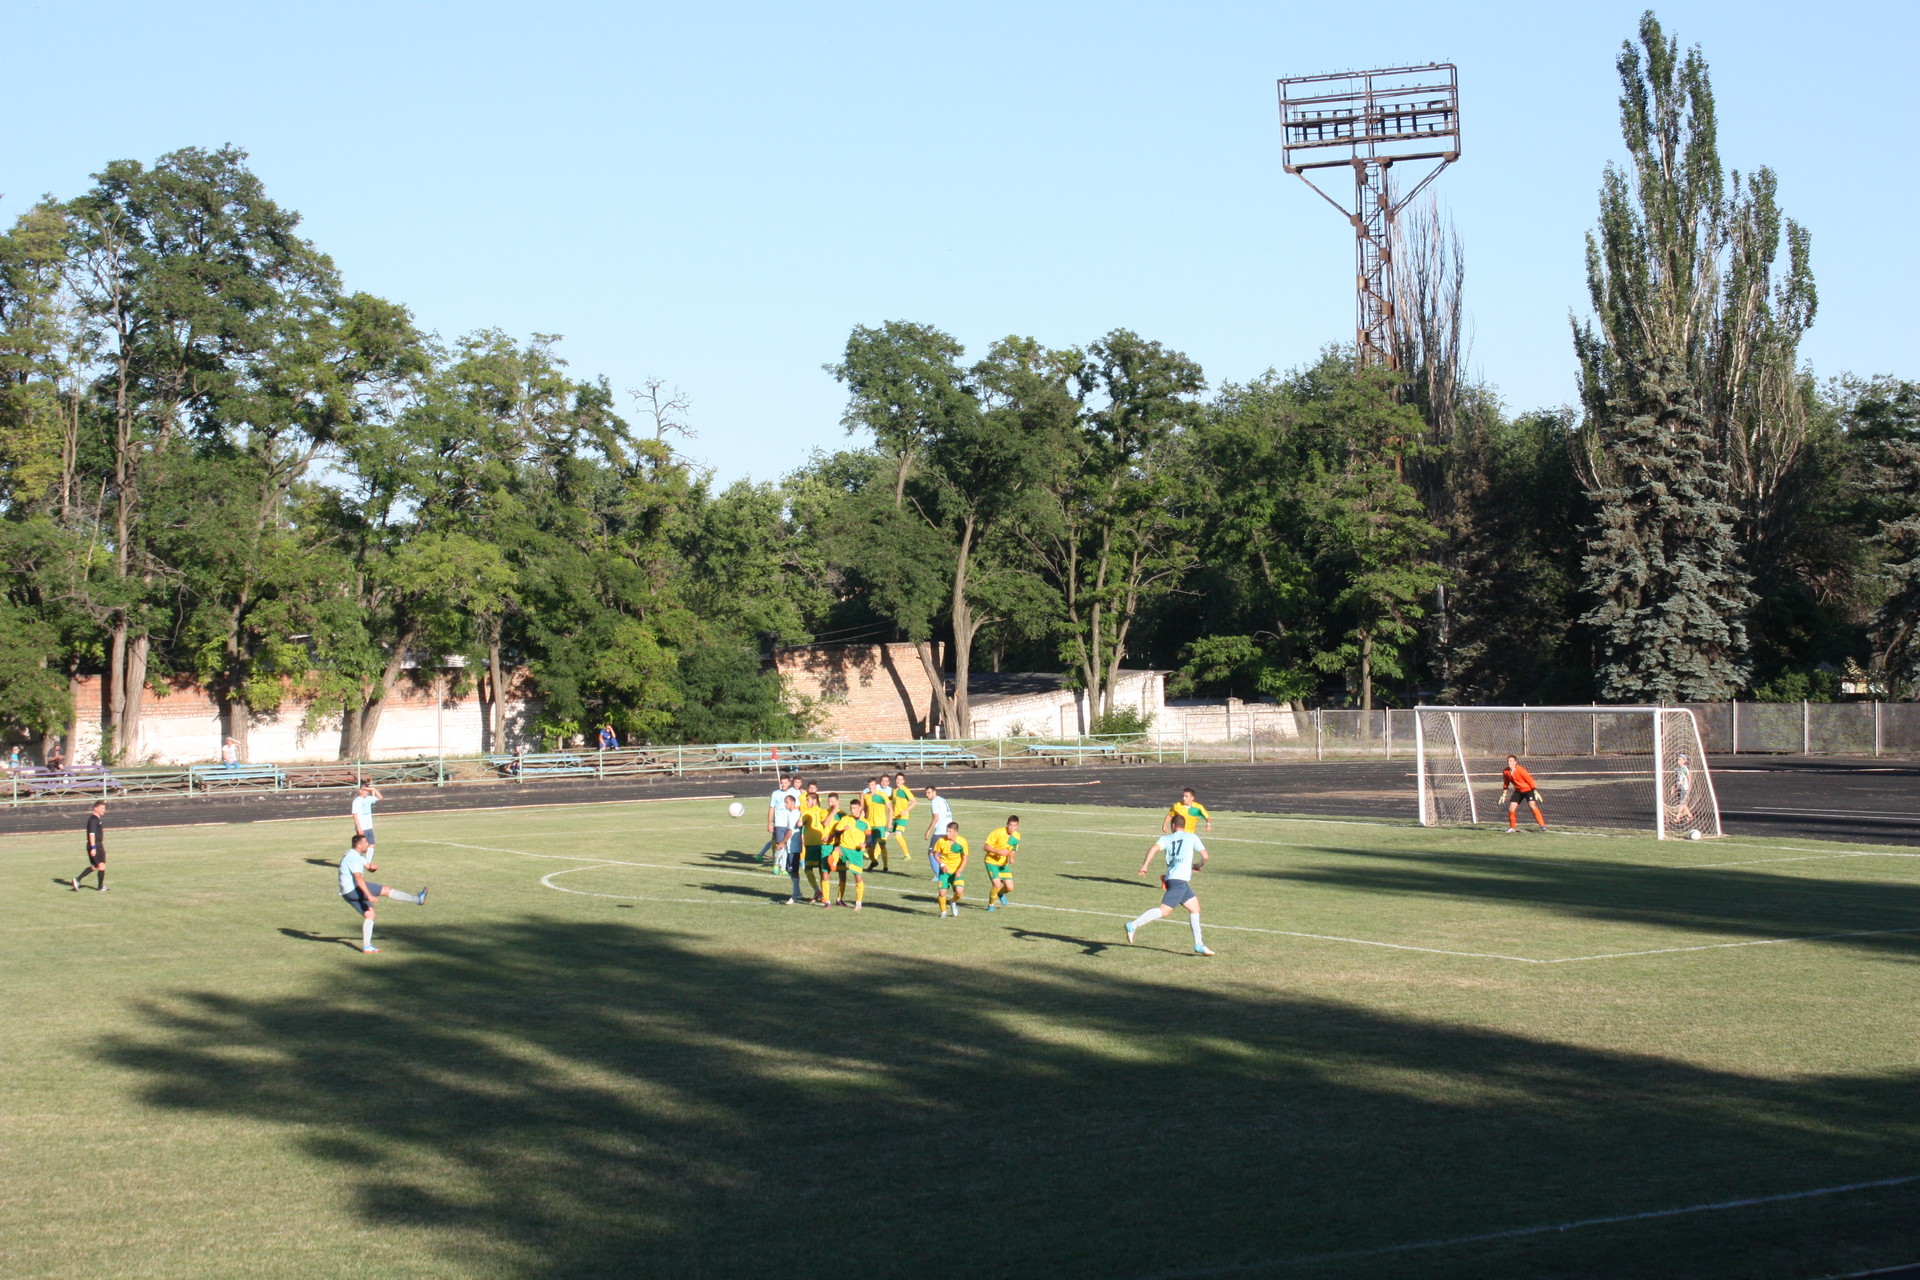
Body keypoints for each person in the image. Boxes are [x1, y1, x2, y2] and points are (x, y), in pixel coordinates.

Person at [1126, 815, 1213, 955]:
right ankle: (1133, 925)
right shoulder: (1192, 837)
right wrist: (1198, 865)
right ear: (1184, 825)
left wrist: (1145, 866)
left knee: (1195, 908)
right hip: (1179, 881)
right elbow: (1206, 856)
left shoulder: (1166, 839)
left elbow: (1153, 848)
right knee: (1164, 911)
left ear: (1173, 826)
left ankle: (1199, 944)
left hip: (1176, 880)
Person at [338, 833, 425, 954]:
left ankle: (367, 946)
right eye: (365, 843)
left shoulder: (352, 854)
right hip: (354, 889)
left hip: (346, 892)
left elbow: (367, 866)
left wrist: (372, 868)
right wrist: (368, 895)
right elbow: (358, 878)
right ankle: (417, 899)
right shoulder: (354, 858)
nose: (368, 844)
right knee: (386, 890)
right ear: (359, 844)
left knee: (370, 915)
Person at [827, 797, 871, 909]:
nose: (853, 810)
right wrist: (842, 830)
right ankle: (834, 864)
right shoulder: (846, 819)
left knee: (858, 878)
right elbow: (837, 832)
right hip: (844, 847)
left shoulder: (865, 823)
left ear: (860, 808)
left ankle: (858, 903)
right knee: (837, 850)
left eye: (855, 808)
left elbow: (870, 837)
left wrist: (865, 844)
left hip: (856, 851)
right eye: (851, 808)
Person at [800, 791, 838, 906]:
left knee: (808, 869)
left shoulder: (807, 812)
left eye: (807, 800)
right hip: (821, 845)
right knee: (823, 872)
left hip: (812, 845)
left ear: (814, 800)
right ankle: (824, 897)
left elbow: (799, 824)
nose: (806, 802)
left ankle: (818, 891)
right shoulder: (823, 811)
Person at [983, 816, 1021, 911]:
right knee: (997, 884)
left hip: (1003, 864)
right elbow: (986, 847)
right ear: (1007, 824)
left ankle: (1000, 893)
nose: (1012, 828)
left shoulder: (1017, 836)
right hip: (991, 862)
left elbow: (1013, 850)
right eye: (1010, 825)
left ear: (1017, 826)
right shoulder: (998, 832)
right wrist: (998, 852)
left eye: (1014, 826)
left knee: (1010, 888)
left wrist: (1011, 857)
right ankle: (991, 905)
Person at [1501, 755, 1546, 833]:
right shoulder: (1506, 771)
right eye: (1508, 761)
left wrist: (1534, 790)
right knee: (1511, 808)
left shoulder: (1520, 770)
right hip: (1518, 791)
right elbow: (1506, 783)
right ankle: (1512, 828)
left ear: (1515, 762)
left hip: (1528, 790)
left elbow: (1530, 780)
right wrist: (1504, 795)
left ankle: (1542, 825)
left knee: (1532, 806)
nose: (1509, 763)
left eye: (1511, 761)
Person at [70, 800, 109, 891]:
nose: (104, 810)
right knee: (101, 865)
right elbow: (91, 834)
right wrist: (93, 847)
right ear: (96, 808)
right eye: (102, 808)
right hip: (95, 845)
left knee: (96, 866)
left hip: (99, 845)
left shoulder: (97, 819)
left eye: (104, 808)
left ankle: (77, 879)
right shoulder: (93, 820)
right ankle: (100, 886)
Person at [931, 821, 968, 917]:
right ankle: (943, 913)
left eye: (950, 831)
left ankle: (953, 902)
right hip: (944, 872)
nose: (947, 833)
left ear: (956, 833)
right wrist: (942, 865)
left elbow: (965, 858)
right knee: (942, 893)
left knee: (959, 892)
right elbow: (935, 854)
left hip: (956, 872)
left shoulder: (962, 842)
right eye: (947, 831)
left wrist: (959, 870)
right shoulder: (941, 841)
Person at [775, 793, 805, 904]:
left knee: (793, 870)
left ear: (793, 802)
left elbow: (790, 831)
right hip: (793, 846)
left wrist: (782, 842)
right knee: (789, 869)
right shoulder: (795, 813)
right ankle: (797, 892)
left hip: (794, 846)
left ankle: (796, 894)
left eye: (787, 802)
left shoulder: (792, 815)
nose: (785, 804)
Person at [760, 775, 796, 864]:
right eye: (782, 783)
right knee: (780, 844)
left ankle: (784, 865)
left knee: (789, 845)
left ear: (789, 783)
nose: (783, 785)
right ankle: (777, 862)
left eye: (785, 783)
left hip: (790, 824)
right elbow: (771, 808)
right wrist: (769, 823)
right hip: (779, 824)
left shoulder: (793, 793)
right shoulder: (776, 793)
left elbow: (796, 808)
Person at [862, 777, 892, 873]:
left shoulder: (882, 795)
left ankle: (885, 866)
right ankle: (874, 861)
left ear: (876, 785)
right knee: (868, 846)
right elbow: (864, 810)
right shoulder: (866, 796)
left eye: (873, 785)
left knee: (882, 846)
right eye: (869, 785)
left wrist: (890, 822)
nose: (871, 787)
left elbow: (890, 809)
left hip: (880, 825)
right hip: (870, 825)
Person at [922, 786, 954, 877]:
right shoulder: (943, 800)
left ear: (934, 792)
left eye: (928, 793)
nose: (926, 795)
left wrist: (928, 831)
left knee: (931, 853)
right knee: (942, 853)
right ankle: (947, 871)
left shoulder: (935, 801)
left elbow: (936, 817)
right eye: (926, 793)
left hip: (940, 831)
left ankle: (938, 875)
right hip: (948, 830)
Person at [887, 772, 915, 866]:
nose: (898, 781)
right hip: (894, 817)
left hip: (903, 817)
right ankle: (875, 854)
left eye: (900, 779)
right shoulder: (894, 789)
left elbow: (914, 802)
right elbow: (891, 798)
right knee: (884, 836)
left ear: (903, 781)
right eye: (897, 779)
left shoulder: (905, 790)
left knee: (898, 835)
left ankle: (907, 855)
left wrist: (906, 810)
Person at [351, 782, 382, 856]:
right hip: (362, 827)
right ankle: (357, 860)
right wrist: (359, 828)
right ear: (360, 791)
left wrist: (374, 789)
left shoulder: (368, 799)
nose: (366, 792)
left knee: (371, 844)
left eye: (367, 790)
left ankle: (367, 862)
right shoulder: (357, 801)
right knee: (361, 846)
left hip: (368, 826)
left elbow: (380, 797)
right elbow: (354, 815)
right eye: (365, 790)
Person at [1669, 752, 1695, 827]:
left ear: (1684, 761)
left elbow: (1689, 777)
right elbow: (1676, 779)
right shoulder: (1677, 769)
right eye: (1678, 759)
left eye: (1680, 760)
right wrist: (1673, 787)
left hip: (1684, 788)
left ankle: (1677, 817)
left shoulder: (1684, 768)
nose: (1678, 761)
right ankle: (1690, 816)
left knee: (1681, 803)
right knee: (1682, 803)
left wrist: (1689, 787)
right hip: (1679, 788)